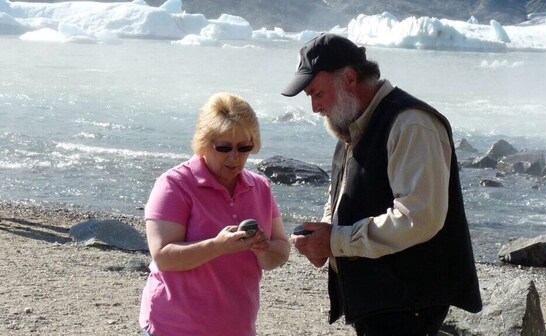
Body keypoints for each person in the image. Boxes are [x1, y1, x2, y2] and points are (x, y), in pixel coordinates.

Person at [283, 34, 482, 335]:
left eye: (317, 93)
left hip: (408, 304)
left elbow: (419, 218)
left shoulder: (410, 124)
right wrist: (322, 237)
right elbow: (340, 193)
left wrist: (336, 240)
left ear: (349, 78)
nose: (314, 107)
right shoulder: (353, 123)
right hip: (383, 302)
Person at [139, 92, 290, 336]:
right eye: (224, 147)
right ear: (204, 142)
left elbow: (281, 248)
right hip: (175, 327)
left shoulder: (260, 187)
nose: (235, 157)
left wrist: (263, 249)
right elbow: (164, 257)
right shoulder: (175, 185)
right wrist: (217, 246)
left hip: (237, 328)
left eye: (244, 147)